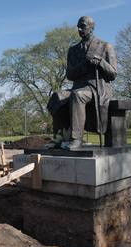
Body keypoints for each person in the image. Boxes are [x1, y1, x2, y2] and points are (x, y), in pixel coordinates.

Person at [47, 16, 117, 149]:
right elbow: (70, 75)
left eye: (83, 26)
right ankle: (61, 135)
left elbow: (113, 74)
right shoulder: (73, 50)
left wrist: (101, 62)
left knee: (77, 95)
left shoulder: (105, 46)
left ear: (92, 28)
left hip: (97, 88)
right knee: (57, 96)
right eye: (78, 26)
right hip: (78, 86)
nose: (80, 29)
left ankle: (76, 139)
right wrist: (84, 65)